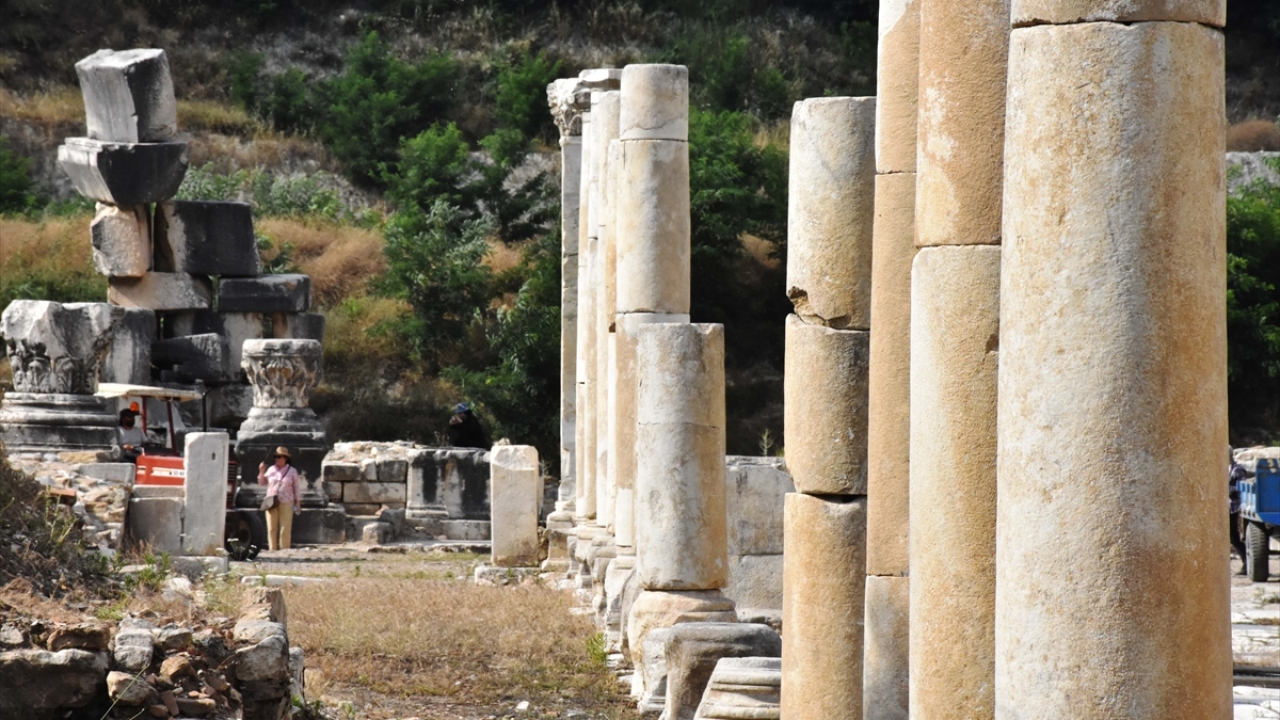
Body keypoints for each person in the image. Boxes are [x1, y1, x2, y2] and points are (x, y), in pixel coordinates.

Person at [258, 446, 302, 551]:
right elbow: (262, 482)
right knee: (271, 527)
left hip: (287, 501)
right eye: (275, 457)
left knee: (285, 528)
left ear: (285, 458)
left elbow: (296, 487)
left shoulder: (292, 471)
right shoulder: (271, 469)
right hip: (271, 501)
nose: (277, 459)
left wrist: (298, 502)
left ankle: (284, 549)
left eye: (279, 457)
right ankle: (272, 549)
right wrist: (261, 471)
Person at [1230, 447, 1249, 576]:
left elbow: (1242, 488)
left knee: (1235, 537)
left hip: (1234, 507)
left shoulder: (1237, 469)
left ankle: (1247, 563)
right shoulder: (1224, 468)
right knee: (1232, 537)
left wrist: (1229, 491)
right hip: (1227, 507)